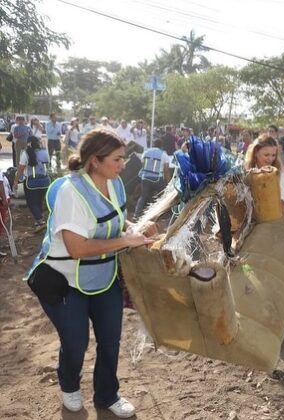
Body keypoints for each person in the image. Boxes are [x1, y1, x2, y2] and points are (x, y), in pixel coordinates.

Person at [28, 128, 155, 417]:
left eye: (123, 158)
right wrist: (126, 240)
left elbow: (117, 218)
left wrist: (135, 228)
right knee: (76, 343)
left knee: (110, 340)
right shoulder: (72, 193)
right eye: (117, 159)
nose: (123, 165)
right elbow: (77, 248)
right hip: (64, 280)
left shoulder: (116, 182)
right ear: (95, 161)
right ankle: (70, 387)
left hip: (104, 276)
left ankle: (107, 395)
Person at [245, 134, 284, 217]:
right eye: (266, 155)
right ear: (255, 153)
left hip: (272, 222)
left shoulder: (279, 174)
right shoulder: (245, 171)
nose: (270, 159)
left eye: (273, 155)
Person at [13, 136, 51, 227]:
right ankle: (39, 220)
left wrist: (16, 181)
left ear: (29, 143)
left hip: (32, 182)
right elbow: (47, 164)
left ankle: (40, 220)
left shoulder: (26, 153)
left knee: (32, 203)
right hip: (45, 181)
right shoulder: (44, 152)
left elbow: (21, 169)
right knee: (39, 201)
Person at [134, 138, 171, 219]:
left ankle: (137, 214)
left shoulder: (146, 152)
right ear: (161, 146)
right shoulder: (164, 154)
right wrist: (168, 182)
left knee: (143, 196)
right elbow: (166, 170)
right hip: (158, 178)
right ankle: (162, 215)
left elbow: (143, 163)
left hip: (145, 178)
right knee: (162, 197)